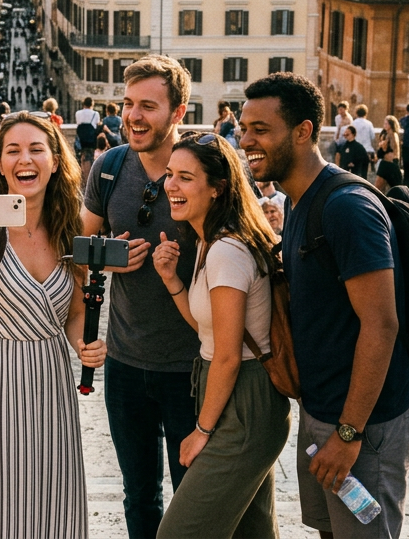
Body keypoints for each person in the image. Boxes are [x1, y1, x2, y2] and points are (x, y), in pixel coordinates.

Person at [239, 73, 409, 539]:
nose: (246, 140)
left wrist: (348, 434)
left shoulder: (347, 208)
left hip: (365, 427)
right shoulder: (300, 201)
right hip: (327, 415)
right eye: (244, 128)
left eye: (261, 129)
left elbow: (381, 325)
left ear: (303, 131)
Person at [0, 112, 102, 538]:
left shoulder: (71, 229)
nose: (25, 159)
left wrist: (84, 345)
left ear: (56, 160)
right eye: (13, 151)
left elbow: (76, 311)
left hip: (50, 381)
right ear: (0, 164)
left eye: (36, 149)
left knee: (48, 496)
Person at [78, 55, 200, 537]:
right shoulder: (109, 167)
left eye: (148, 106)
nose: (133, 116)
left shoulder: (206, 168)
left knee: (193, 496)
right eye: (128, 103)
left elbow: (238, 251)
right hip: (127, 365)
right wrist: (108, 257)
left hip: (193, 366)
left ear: (179, 112)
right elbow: (79, 247)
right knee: (139, 496)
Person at [149, 133, 289, 538]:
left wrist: (202, 432)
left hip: (243, 399)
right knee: (253, 532)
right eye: (170, 175)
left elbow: (227, 355)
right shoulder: (210, 241)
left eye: (185, 178)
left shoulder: (227, 250)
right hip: (240, 396)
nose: (170, 186)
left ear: (217, 188)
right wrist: (172, 281)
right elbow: (208, 330)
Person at [375, 115, 403, 190]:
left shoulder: (393, 135)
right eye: (384, 123)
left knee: (396, 188)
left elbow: (391, 149)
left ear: (391, 124)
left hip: (391, 164)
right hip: (385, 163)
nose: (385, 125)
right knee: (378, 188)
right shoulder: (385, 134)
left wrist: (383, 144)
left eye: (386, 123)